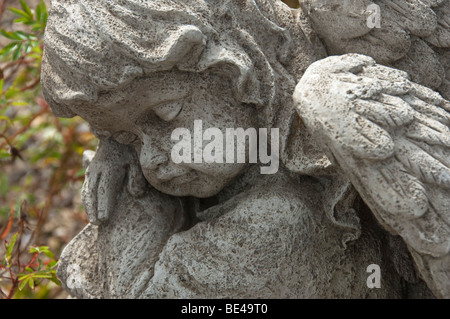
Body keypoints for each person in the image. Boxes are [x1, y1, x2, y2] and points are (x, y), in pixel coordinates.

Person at [41, 0, 443, 298]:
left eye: (165, 113)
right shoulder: (239, 155)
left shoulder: (276, 225)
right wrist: (116, 145)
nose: (150, 159)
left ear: (236, 65)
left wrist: (133, 207)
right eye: (129, 137)